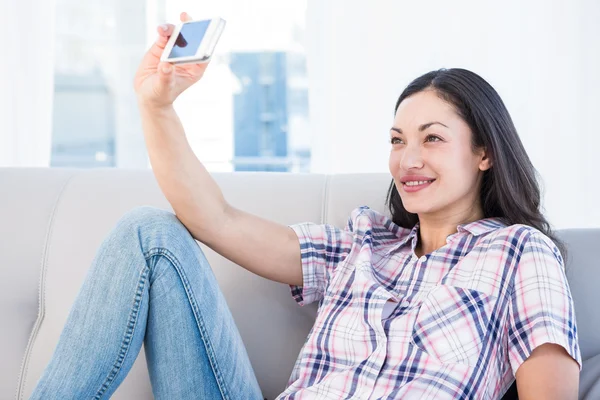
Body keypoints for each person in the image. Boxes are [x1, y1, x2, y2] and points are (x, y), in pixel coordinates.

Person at [30, 11, 582, 400]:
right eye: (396, 140)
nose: (407, 159)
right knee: (147, 231)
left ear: (484, 152)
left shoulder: (520, 253)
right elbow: (212, 219)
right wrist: (156, 106)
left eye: (432, 139)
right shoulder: (363, 246)